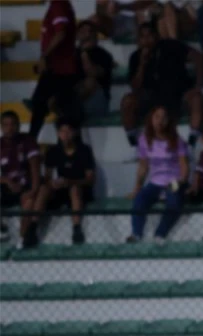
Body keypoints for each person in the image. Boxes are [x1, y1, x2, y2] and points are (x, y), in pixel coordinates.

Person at [121, 22, 203, 149]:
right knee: (128, 100)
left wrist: (198, 85)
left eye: (149, 35)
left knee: (197, 98)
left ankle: (193, 141)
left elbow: (198, 58)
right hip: (151, 99)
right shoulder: (135, 57)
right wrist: (142, 65)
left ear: (156, 36)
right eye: (142, 37)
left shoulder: (171, 46)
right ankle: (133, 143)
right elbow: (135, 86)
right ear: (138, 40)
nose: (146, 40)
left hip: (178, 95)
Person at [129, 106, 189, 243]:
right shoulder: (144, 140)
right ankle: (136, 234)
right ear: (151, 119)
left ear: (168, 121)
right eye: (157, 117)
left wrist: (182, 180)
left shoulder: (177, 140)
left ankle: (160, 234)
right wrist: (137, 188)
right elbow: (143, 166)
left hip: (174, 181)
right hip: (155, 182)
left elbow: (184, 165)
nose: (160, 121)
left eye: (164, 118)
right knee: (139, 200)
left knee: (174, 202)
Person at [32, 120, 96, 247]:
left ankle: (76, 228)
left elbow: (91, 179)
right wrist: (53, 183)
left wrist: (70, 182)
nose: (65, 134)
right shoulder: (53, 151)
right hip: (59, 190)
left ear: (75, 133)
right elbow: (47, 177)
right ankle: (32, 228)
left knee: (74, 189)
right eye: (62, 131)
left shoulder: (84, 150)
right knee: (44, 189)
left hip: (80, 190)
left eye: (68, 131)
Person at [29, 0, 79, 141]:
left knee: (40, 105)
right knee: (54, 107)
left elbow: (60, 33)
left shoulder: (58, 4)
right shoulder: (58, 5)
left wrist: (45, 56)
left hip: (60, 68)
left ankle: (30, 145)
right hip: (59, 68)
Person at [0, 112, 41, 247]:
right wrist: (6, 181)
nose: (9, 128)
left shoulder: (28, 141)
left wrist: (33, 190)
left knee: (29, 202)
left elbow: (35, 169)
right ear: (1, 127)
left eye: (13, 124)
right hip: (6, 187)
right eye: (6, 125)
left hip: (25, 186)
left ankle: (23, 238)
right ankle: (2, 229)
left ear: (18, 126)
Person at [75, 21, 115, 125]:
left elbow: (92, 73)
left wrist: (84, 53)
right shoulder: (71, 54)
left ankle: (70, 107)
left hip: (96, 101)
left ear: (95, 35)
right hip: (75, 97)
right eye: (83, 32)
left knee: (90, 81)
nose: (87, 35)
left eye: (90, 32)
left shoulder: (104, 55)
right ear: (77, 35)